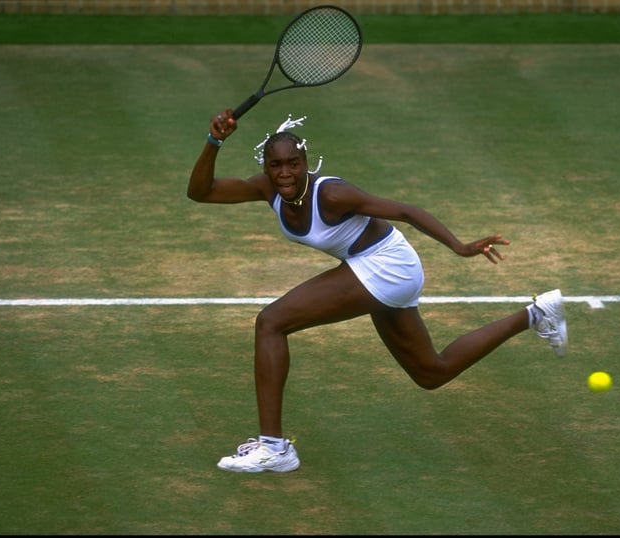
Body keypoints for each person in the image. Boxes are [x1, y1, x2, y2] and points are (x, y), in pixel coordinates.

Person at [187, 109, 568, 473]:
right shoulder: (266, 189)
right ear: (265, 168)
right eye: (276, 165)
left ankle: (273, 448)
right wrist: (213, 141)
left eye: (293, 164)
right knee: (431, 372)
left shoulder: (333, 194)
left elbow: (405, 210)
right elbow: (200, 192)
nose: (285, 173)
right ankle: (537, 314)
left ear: (306, 163)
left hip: (387, 265)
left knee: (271, 322)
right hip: (370, 268)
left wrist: (459, 246)